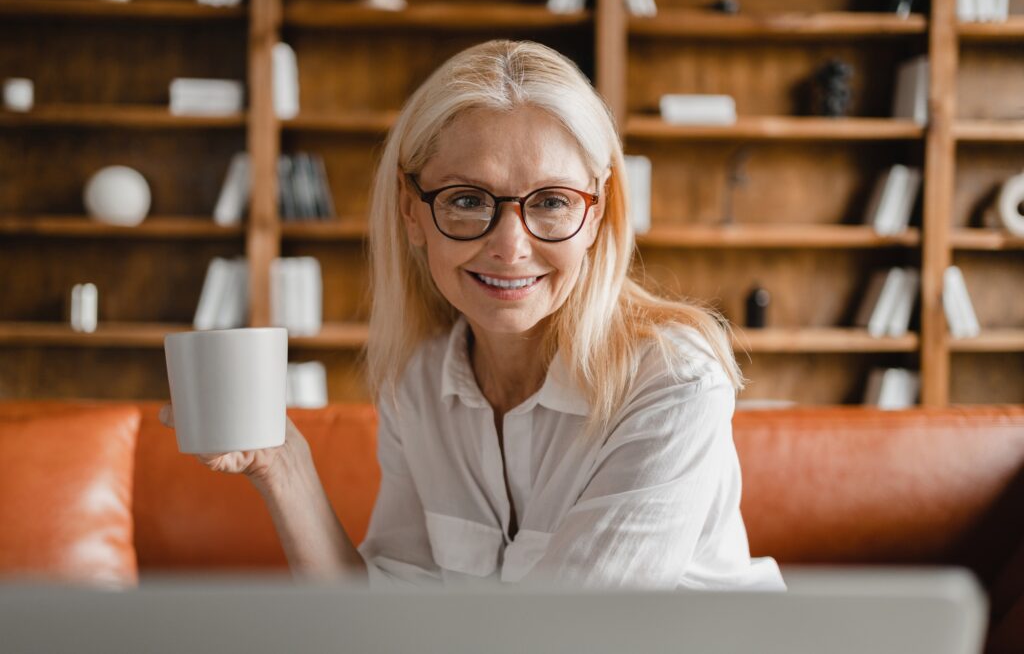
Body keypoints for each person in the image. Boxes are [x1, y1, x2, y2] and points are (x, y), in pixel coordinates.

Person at [160, 39, 785, 591]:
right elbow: (381, 613)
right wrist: (282, 463)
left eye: (551, 201)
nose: (511, 247)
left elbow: (577, 639)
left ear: (595, 214)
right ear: (412, 211)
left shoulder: (673, 381)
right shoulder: (419, 383)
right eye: (465, 199)